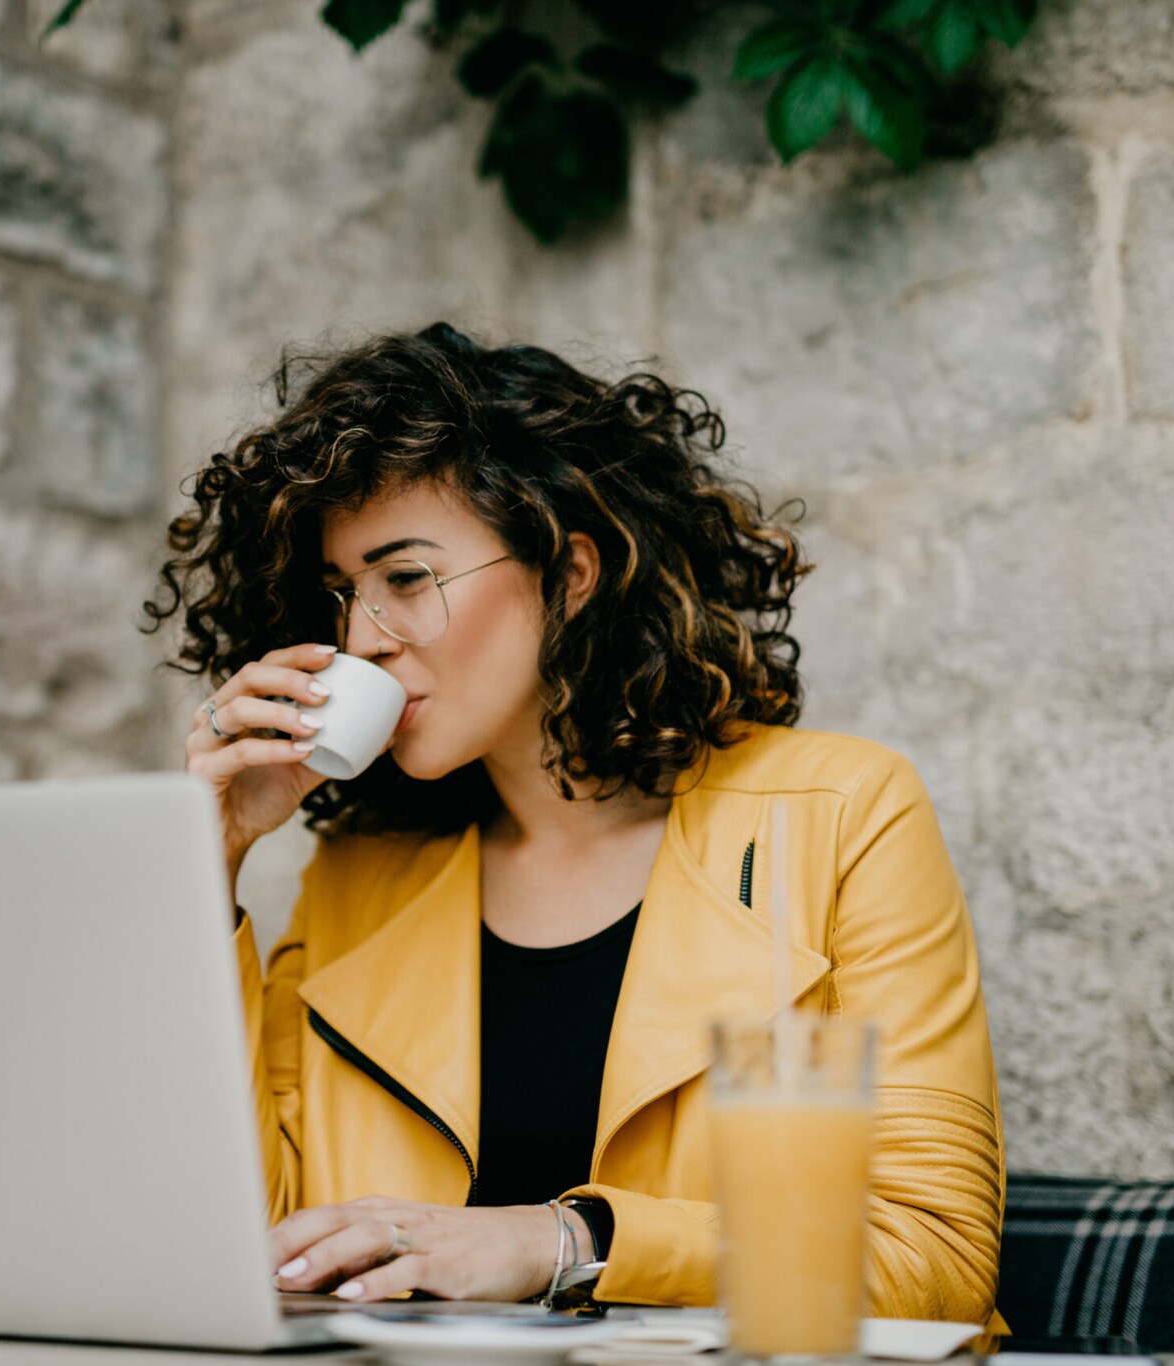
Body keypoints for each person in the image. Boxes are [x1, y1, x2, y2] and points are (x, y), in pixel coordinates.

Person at [145, 323, 1004, 1325]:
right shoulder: (357, 875)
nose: (357, 640)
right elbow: (244, 1245)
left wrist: (562, 1242)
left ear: (572, 571)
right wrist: (204, 868)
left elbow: (934, 1258)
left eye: (405, 579)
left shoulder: (839, 815)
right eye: (342, 594)